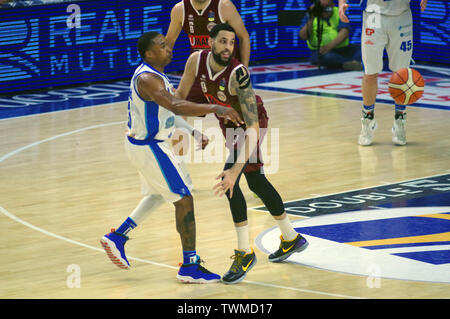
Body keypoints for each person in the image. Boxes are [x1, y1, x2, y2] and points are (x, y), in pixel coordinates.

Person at [100, 31, 243, 283]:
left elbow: (168, 111)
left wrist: (193, 132)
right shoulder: (147, 78)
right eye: (162, 46)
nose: (168, 48)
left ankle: (118, 236)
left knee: (159, 194)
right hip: (149, 147)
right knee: (184, 199)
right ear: (149, 53)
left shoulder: (158, 77)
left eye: (167, 45)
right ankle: (190, 265)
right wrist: (216, 108)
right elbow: (175, 106)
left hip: (148, 145)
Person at [175, 23, 309, 284]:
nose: (227, 47)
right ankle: (291, 237)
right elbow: (179, 97)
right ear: (211, 42)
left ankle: (244, 252)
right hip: (228, 124)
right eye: (223, 41)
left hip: (251, 124)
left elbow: (253, 127)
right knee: (257, 181)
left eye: (231, 43)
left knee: (231, 182)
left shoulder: (238, 73)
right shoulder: (195, 60)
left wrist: (234, 170)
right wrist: (175, 118)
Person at [338, 0, 428, 146]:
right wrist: (341, 3)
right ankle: (367, 121)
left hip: (401, 14)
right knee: (370, 73)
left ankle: (400, 121)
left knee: (402, 75)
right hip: (374, 13)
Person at [165, 0, 251, 105]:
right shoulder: (179, 9)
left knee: (233, 117)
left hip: (226, 70)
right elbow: (169, 41)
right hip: (200, 68)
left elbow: (244, 37)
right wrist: (159, 71)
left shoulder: (224, 6)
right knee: (183, 106)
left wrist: (244, 71)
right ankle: (197, 122)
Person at [299, 0, 362, 70]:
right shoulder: (311, 15)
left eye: (328, 7)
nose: (325, 10)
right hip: (322, 51)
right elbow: (303, 36)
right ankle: (351, 63)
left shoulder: (339, 12)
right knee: (324, 57)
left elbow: (344, 33)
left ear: (332, 4)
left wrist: (329, 46)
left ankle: (351, 62)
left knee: (362, 48)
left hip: (344, 49)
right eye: (322, 7)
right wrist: (311, 18)